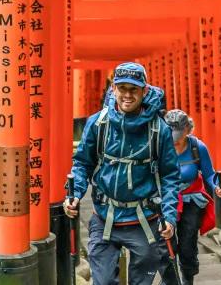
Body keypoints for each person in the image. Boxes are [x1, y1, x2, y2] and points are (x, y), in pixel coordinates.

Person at [64, 62, 182, 285]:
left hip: (144, 220)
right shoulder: (97, 123)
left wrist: (169, 216)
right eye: (122, 88)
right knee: (104, 281)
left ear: (144, 91)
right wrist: (75, 193)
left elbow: (169, 176)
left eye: (134, 89)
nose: (127, 95)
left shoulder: (159, 129)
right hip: (104, 216)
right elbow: (81, 164)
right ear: (113, 89)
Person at [158, 109, 221, 285]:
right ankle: (169, 280)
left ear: (188, 129)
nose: (175, 139)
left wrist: (217, 187)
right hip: (166, 200)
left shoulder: (197, 147)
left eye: (179, 134)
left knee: (188, 244)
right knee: (166, 244)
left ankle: (187, 278)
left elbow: (209, 173)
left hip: (191, 200)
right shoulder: (159, 146)